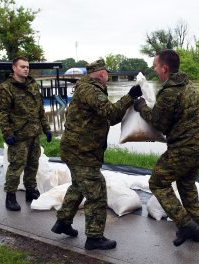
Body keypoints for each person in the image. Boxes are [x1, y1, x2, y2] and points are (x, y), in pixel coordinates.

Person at [50, 59, 142, 250]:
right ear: (101, 74)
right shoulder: (91, 90)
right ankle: (94, 238)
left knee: (78, 187)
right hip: (82, 152)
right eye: (107, 73)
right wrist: (130, 96)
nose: (107, 76)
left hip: (77, 149)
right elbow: (112, 114)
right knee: (97, 192)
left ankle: (63, 222)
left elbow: (108, 116)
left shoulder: (85, 88)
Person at [133, 49, 199, 247]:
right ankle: (196, 227)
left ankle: (185, 224)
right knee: (186, 183)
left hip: (184, 148)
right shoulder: (189, 85)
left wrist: (141, 106)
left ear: (165, 68)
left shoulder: (169, 91)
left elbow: (159, 123)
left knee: (157, 182)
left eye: (156, 66)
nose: (155, 70)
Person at [0, 56, 52, 211]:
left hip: (34, 133)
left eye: (27, 67)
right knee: (16, 166)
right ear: (14, 68)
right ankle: (10, 196)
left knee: (33, 165)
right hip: (18, 135)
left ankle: (31, 191)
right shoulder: (6, 88)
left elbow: (40, 109)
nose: (26, 69)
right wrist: (7, 133)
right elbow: (2, 113)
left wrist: (46, 128)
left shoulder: (33, 85)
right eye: (22, 67)